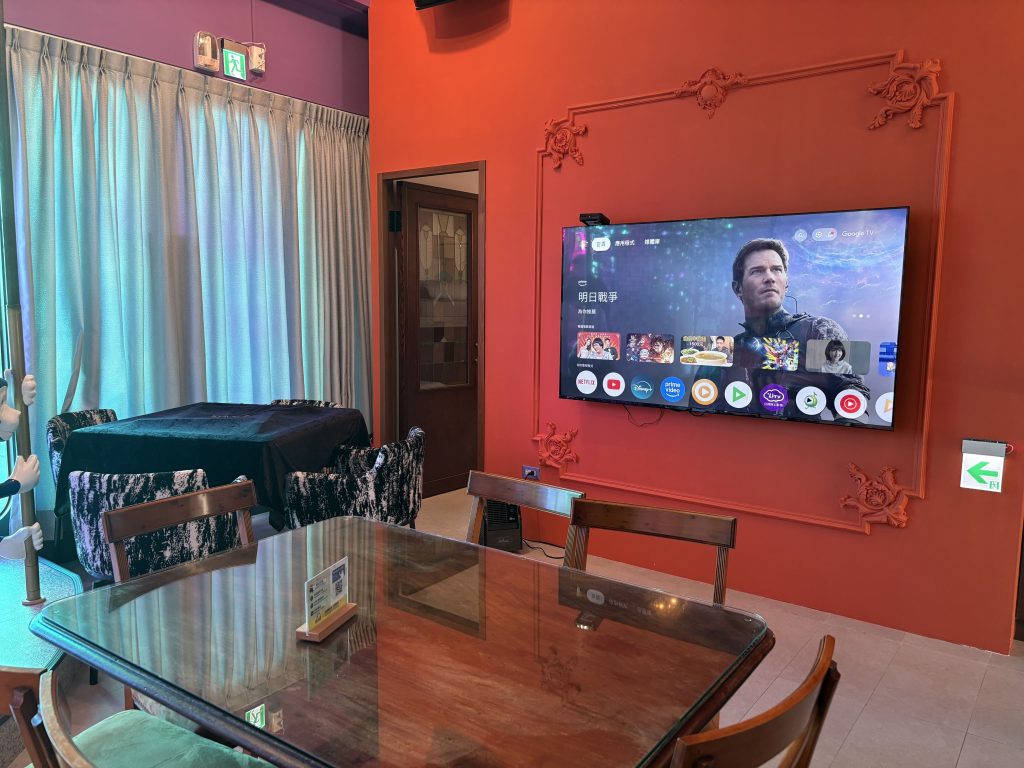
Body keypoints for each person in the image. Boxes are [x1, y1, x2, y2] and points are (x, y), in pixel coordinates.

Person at [703, 238, 868, 418]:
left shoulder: (817, 330)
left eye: (777, 270)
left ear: (786, 283)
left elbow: (852, 399)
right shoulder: (726, 351)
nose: (770, 278)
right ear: (738, 288)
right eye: (757, 271)